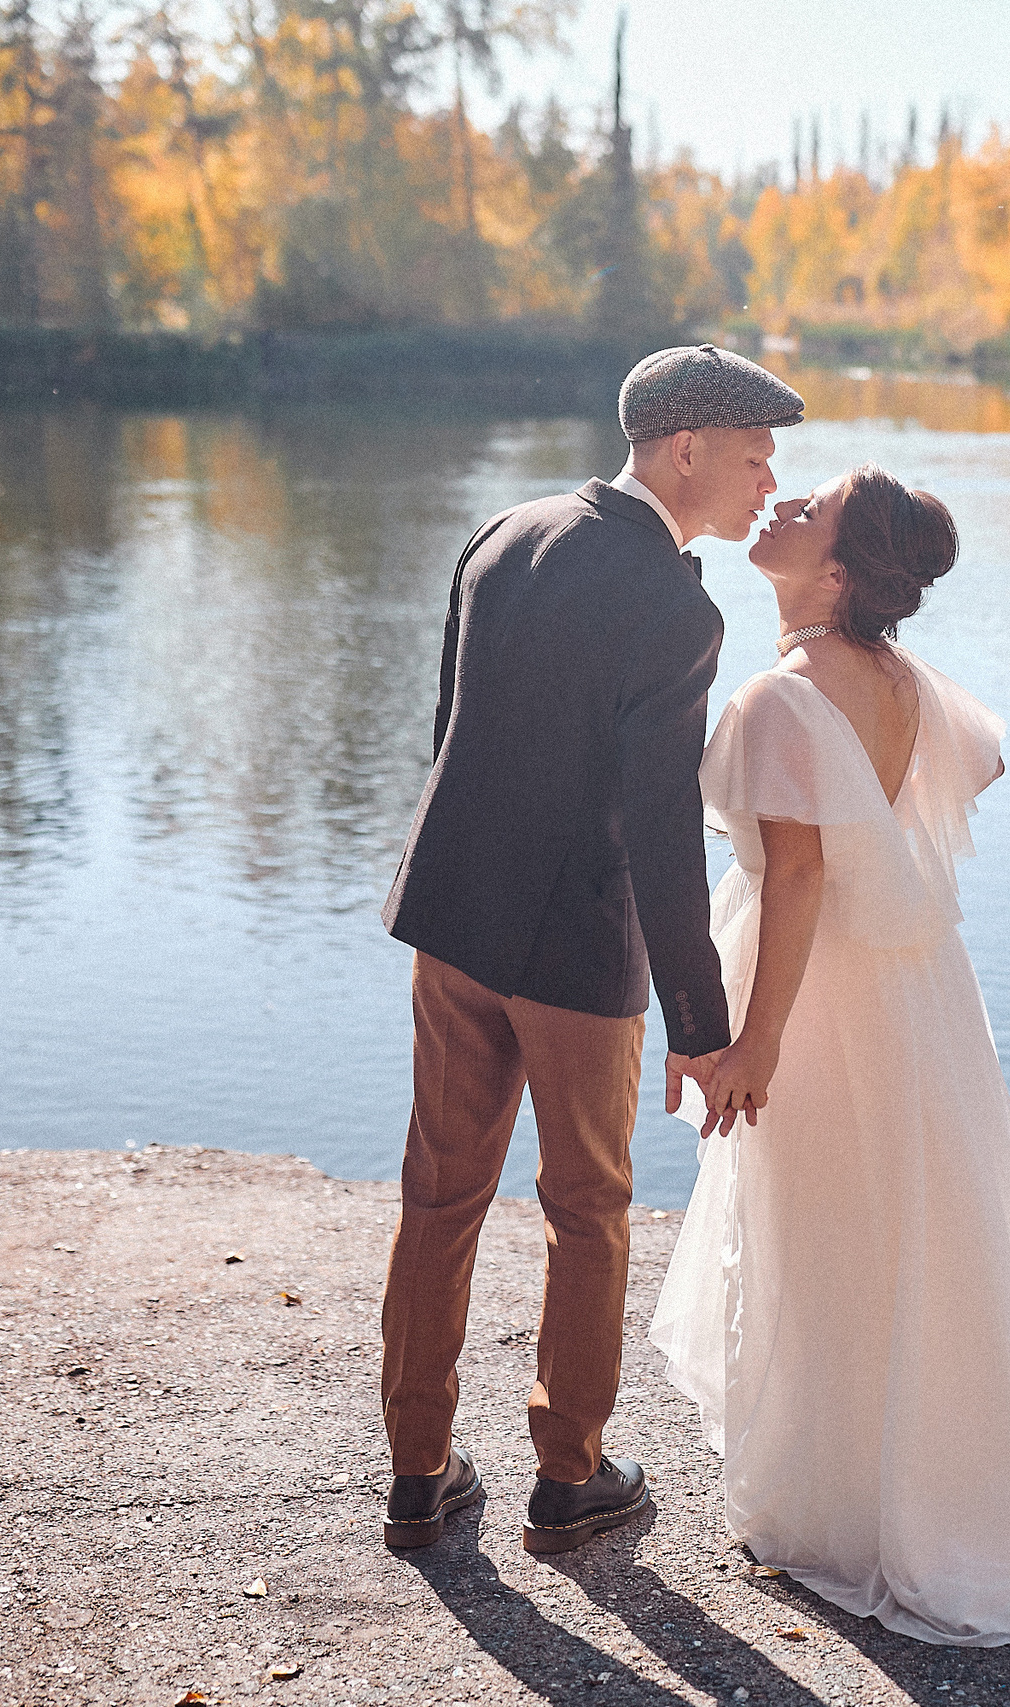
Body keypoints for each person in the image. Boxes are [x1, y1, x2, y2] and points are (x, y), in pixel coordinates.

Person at [650, 463, 1010, 1644]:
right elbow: (954, 782)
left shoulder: (780, 696)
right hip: (912, 992)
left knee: (830, 1227)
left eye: (804, 507)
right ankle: (932, 1489)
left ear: (836, 567)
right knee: (914, 1226)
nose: (779, 506)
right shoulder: (899, 681)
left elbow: (804, 872)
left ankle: (862, 1514)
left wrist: (747, 1039)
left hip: (817, 995)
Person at [376, 344, 803, 1556]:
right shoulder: (676, 607)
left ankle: (418, 1471)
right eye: (754, 449)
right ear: (685, 449)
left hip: (454, 924)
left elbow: (451, 729)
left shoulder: (504, 532)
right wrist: (703, 1027)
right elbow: (663, 834)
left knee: (437, 1196)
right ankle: (567, 1478)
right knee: (587, 1211)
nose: (769, 474)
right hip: (574, 957)